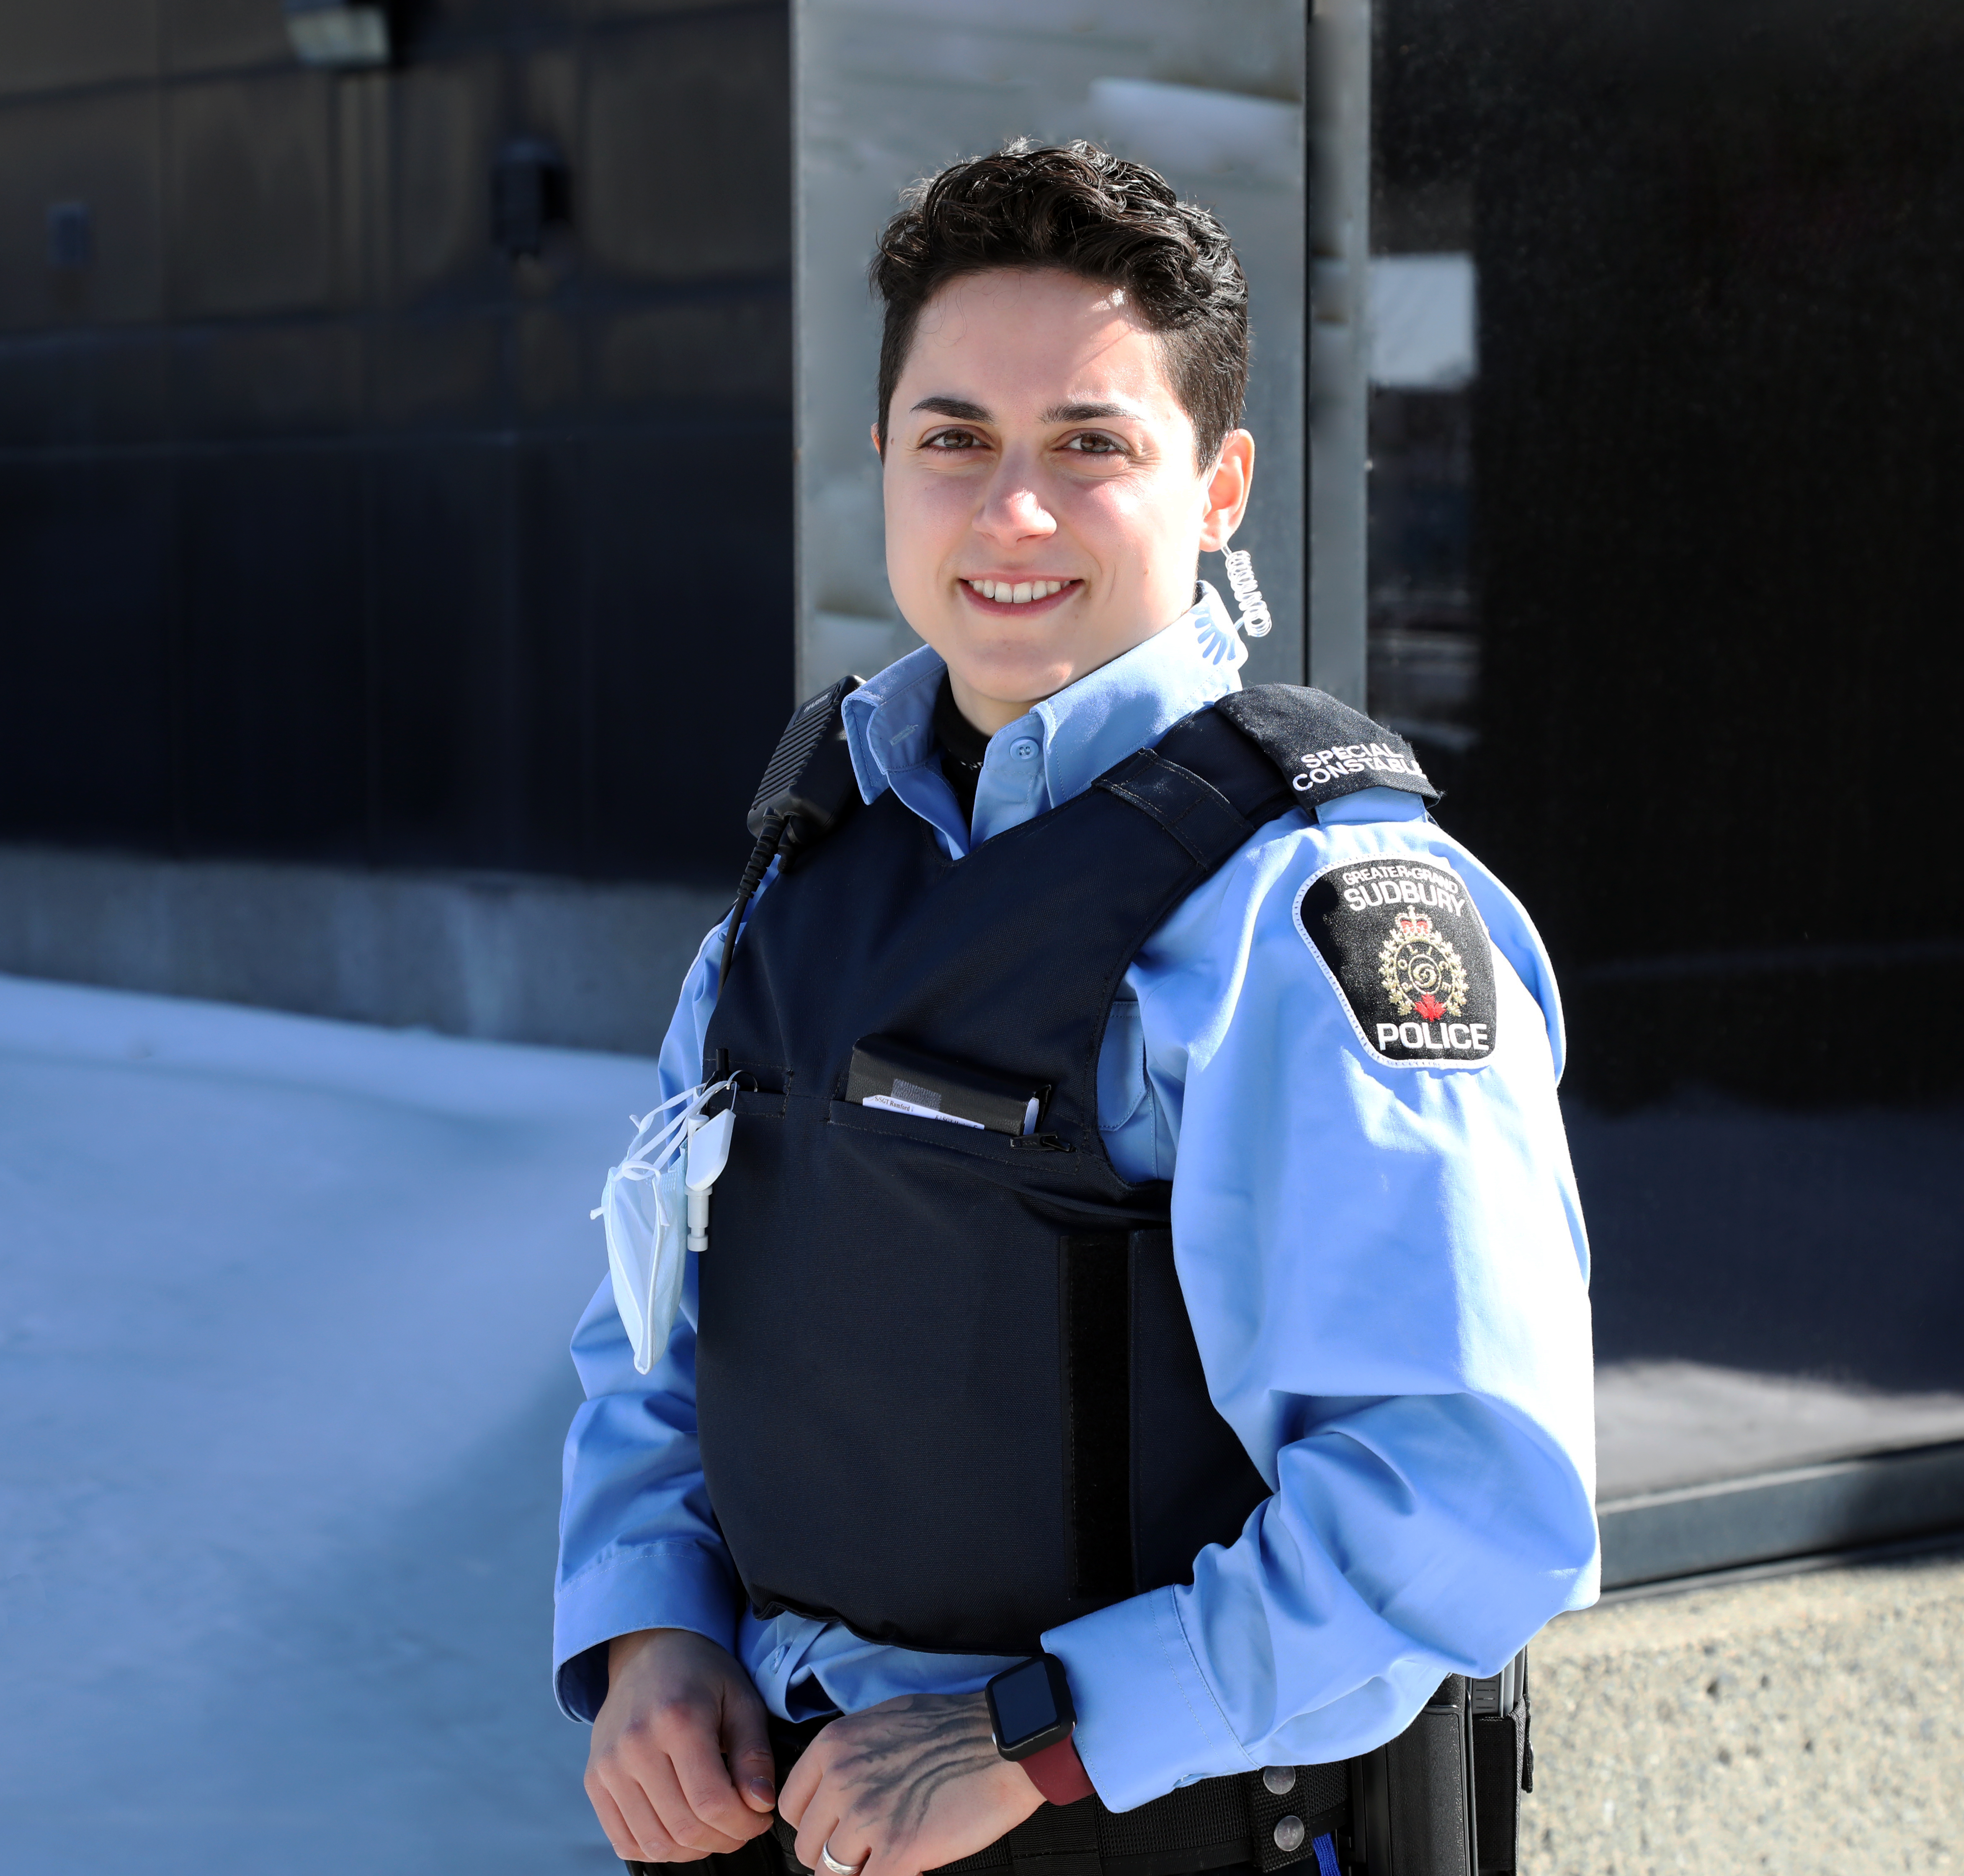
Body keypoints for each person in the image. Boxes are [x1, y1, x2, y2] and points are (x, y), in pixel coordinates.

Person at [555, 140, 1595, 1876]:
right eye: (956, 436)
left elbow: (1463, 1505)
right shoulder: (800, 877)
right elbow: (659, 1330)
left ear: (1221, 484)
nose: (1009, 511)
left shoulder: (1310, 919)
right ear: (882, 455)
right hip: (796, 1825)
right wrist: (650, 1625)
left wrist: (1038, 1737)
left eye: (1090, 445)